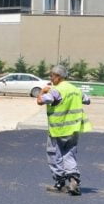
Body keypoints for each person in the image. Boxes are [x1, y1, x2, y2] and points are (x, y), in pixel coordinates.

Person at [36, 64, 92, 195]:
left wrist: (43, 91)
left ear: (58, 76)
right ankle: (73, 180)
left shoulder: (56, 90)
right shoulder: (75, 90)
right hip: (73, 129)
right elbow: (87, 100)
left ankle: (60, 183)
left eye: (51, 76)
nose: (50, 79)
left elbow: (40, 101)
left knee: (54, 155)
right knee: (69, 154)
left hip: (58, 130)